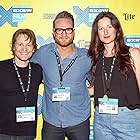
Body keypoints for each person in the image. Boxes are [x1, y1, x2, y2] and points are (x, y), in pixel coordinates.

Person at [31, 11, 91, 140]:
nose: (64, 34)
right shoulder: (42, 53)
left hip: (79, 121)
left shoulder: (87, 57)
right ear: (53, 32)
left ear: (73, 32)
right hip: (51, 122)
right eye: (59, 30)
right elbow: (27, 74)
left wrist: (85, 92)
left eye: (68, 30)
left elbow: (100, 82)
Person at [88, 11, 140, 140]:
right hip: (101, 120)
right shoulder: (96, 58)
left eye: (109, 26)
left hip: (128, 119)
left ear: (117, 29)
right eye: (101, 28)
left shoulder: (133, 54)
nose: (105, 32)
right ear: (97, 33)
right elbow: (95, 89)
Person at [0, 29, 42, 140]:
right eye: (20, 44)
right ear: (13, 46)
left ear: (34, 49)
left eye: (28, 45)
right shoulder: (1, 68)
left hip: (27, 132)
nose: (24, 49)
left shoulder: (38, 70)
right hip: (3, 132)